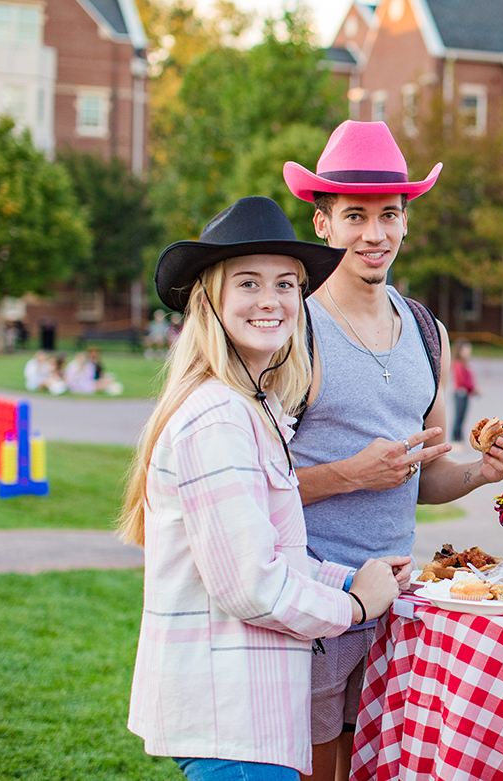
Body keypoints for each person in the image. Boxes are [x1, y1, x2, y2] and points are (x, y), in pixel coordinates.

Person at [118, 196, 410, 780]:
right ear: (211, 299)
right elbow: (251, 586)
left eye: (285, 284)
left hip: (250, 711)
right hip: (230, 714)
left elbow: (266, 551)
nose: (271, 301)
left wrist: (349, 575)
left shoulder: (254, 407)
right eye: (248, 283)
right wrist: (353, 604)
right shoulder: (217, 418)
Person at [283, 120, 503, 781]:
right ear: (323, 222)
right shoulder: (294, 328)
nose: (374, 233)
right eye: (355, 216)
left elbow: (423, 473)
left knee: (382, 762)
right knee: (313, 765)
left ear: (406, 221)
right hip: (314, 599)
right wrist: (348, 474)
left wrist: (478, 472)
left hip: (398, 604)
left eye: (389, 214)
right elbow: (253, 484)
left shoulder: (426, 329)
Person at [449, 340, 476, 442]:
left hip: (467, 394)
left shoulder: (467, 364)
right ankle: (456, 439)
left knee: (463, 417)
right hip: (460, 393)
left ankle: (460, 438)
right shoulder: (458, 364)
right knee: (458, 416)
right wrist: (472, 388)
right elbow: (461, 381)